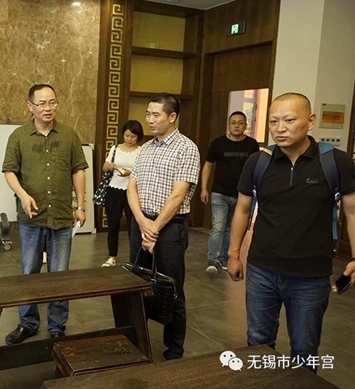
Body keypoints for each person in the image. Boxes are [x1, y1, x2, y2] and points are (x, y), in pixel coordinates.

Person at [227, 92, 355, 372]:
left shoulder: (336, 162)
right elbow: (242, 210)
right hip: (262, 269)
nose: (280, 128)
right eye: (273, 121)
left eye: (288, 120)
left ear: (310, 121)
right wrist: (233, 254)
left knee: (304, 349)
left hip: (310, 276)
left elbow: (352, 212)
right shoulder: (258, 162)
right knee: (258, 343)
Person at [2, 83, 88, 344]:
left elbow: (78, 170)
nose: (48, 108)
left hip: (61, 215)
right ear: (30, 106)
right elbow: (9, 171)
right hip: (31, 217)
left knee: (59, 274)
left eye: (52, 102)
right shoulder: (18, 136)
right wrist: (22, 194)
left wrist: (80, 205)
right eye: (42, 103)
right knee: (29, 272)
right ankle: (27, 323)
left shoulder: (69, 135)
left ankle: (57, 325)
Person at [127, 93, 200, 360]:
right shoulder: (145, 148)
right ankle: (137, 341)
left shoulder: (186, 148)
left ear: (172, 117)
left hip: (169, 227)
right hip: (141, 222)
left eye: (155, 115)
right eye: (148, 114)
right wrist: (141, 221)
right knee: (137, 283)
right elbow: (132, 188)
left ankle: (174, 349)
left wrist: (154, 229)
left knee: (171, 287)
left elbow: (178, 195)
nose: (150, 119)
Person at [200, 112, 259, 274]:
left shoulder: (252, 145)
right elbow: (208, 165)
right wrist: (204, 188)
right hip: (219, 192)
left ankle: (225, 257)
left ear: (245, 125)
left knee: (231, 228)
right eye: (233, 123)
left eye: (240, 123)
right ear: (228, 125)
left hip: (242, 194)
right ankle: (212, 260)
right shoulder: (218, 143)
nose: (236, 126)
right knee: (218, 226)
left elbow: (256, 168)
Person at [101, 120, 144, 267]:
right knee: (113, 224)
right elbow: (104, 167)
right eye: (127, 135)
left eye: (133, 136)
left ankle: (135, 258)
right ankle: (112, 256)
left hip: (133, 191)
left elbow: (143, 171)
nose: (129, 139)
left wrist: (130, 172)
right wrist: (109, 166)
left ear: (138, 136)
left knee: (134, 225)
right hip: (114, 189)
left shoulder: (141, 150)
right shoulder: (115, 148)